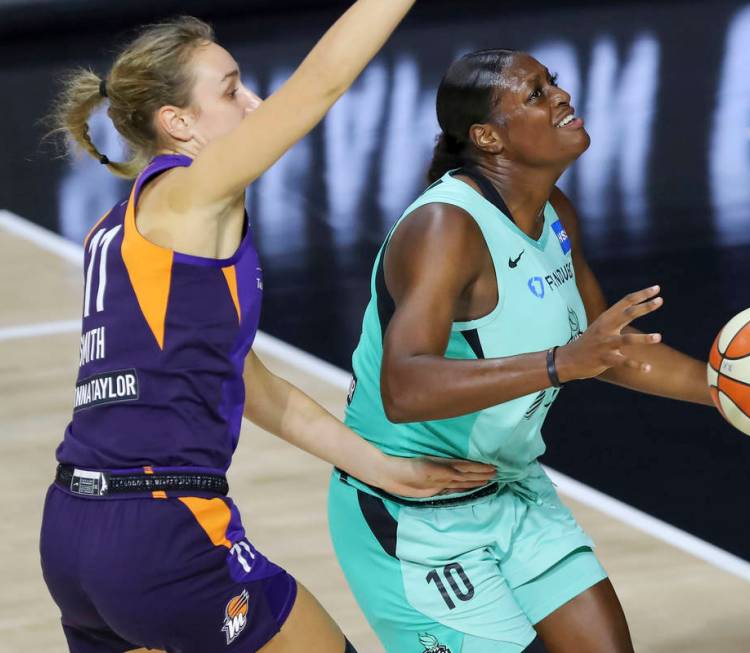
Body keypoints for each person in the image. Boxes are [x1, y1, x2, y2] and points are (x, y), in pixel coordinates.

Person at [327, 49, 750, 653]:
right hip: (408, 506)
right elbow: (403, 388)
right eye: (535, 95)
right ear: (488, 137)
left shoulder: (555, 214)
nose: (561, 97)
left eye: (553, 84)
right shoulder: (445, 228)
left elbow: (607, 349)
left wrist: (734, 395)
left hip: (508, 484)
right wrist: (560, 362)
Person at [40, 5, 495, 653]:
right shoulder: (193, 194)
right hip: (160, 528)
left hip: (72, 530)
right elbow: (321, 84)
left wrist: (384, 469)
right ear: (178, 123)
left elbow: (251, 387)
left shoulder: (116, 230)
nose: (252, 103)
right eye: (229, 90)